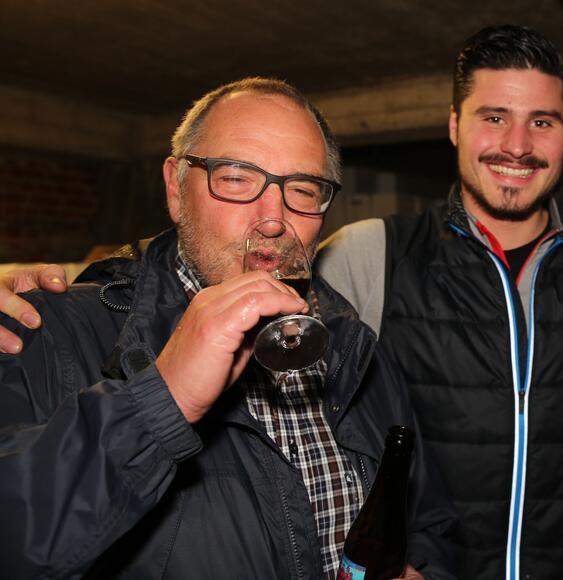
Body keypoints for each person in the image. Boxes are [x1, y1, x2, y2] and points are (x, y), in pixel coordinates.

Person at [0, 26, 563, 579]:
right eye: (493, 116)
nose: (517, 144)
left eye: (542, 121)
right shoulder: (376, 253)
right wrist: (71, 292)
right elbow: (180, 280)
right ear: (454, 125)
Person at [0, 77, 457, 580]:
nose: (272, 219)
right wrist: (161, 401)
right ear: (176, 189)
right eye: (237, 178)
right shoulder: (45, 329)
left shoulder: (356, 345)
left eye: (302, 189)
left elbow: (427, 523)